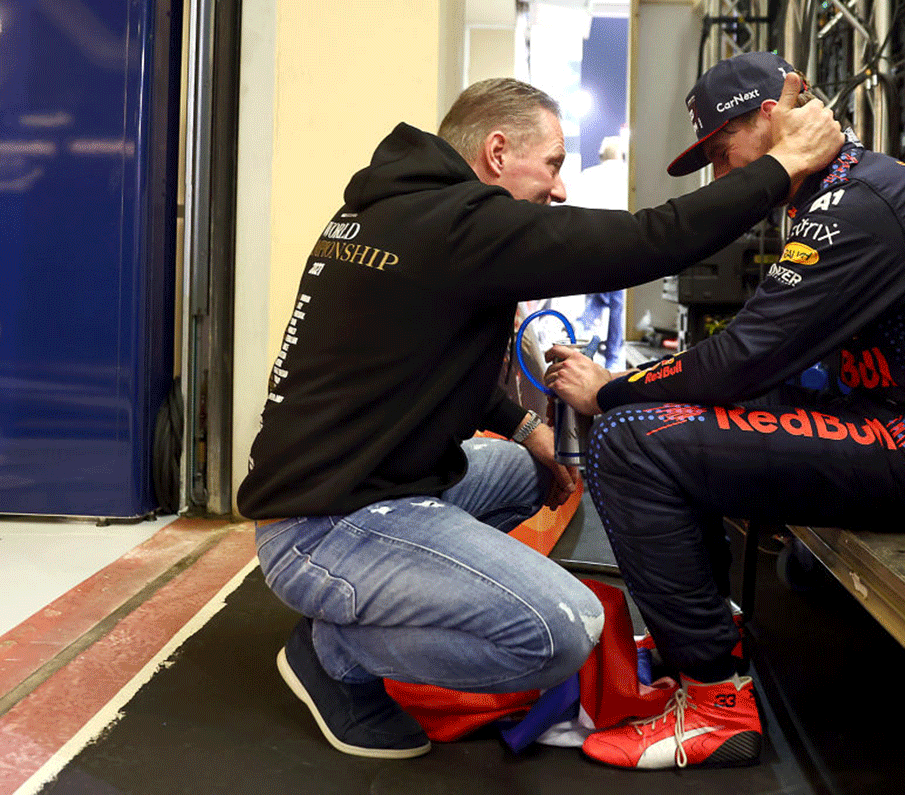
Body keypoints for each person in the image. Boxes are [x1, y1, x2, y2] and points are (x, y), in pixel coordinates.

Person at [236, 75, 844, 760]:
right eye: (552, 164)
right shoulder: (459, 224)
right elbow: (649, 240)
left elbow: (420, 362)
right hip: (326, 529)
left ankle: (388, 597)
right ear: (497, 152)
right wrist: (783, 166)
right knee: (561, 629)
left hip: (349, 488)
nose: (559, 189)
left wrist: (528, 427)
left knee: (522, 471)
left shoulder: (400, 211)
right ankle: (338, 651)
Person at [544, 51, 905, 770]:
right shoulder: (839, 189)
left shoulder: (856, 202)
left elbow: (743, 359)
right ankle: (696, 633)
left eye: (724, 156)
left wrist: (610, 389)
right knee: (663, 412)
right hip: (891, 421)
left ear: (772, 115)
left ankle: (713, 703)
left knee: (629, 438)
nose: (723, 179)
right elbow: (749, 362)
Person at [571, 135, 629, 369]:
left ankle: (582, 334)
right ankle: (613, 355)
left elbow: (574, 211)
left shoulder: (587, 176)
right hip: (620, 245)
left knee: (595, 296)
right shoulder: (627, 175)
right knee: (616, 304)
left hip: (591, 246)